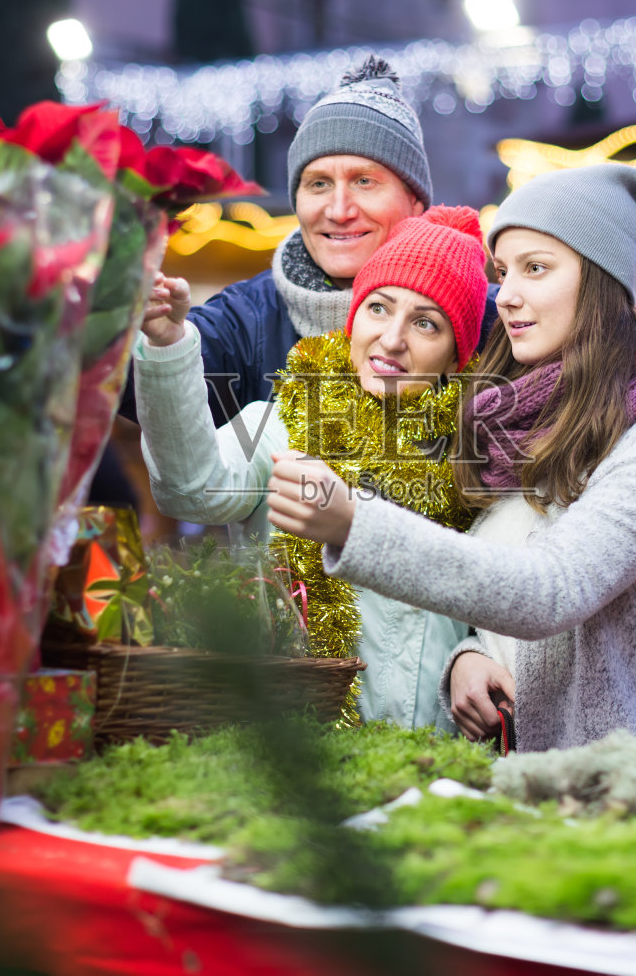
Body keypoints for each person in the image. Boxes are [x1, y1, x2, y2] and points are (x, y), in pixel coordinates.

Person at [107, 54, 636, 486]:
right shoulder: (247, 321)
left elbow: (615, 364)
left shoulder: (491, 311)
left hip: (463, 660)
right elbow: (143, 399)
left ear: (416, 199)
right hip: (289, 662)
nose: (337, 208)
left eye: (365, 180)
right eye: (316, 183)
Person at [267, 164, 636, 752]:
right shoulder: (512, 423)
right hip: (538, 794)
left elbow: (552, 589)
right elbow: (508, 586)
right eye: (504, 270)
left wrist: (353, 524)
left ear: (600, 281)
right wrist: (469, 656)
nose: (508, 295)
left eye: (536, 268)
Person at [132, 206, 492, 730]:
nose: (392, 339)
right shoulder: (279, 424)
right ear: (352, 321)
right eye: (378, 308)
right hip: (300, 758)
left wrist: (477, 651)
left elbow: (511, 593)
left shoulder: (483, 460)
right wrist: (168, 347)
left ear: (456, 355)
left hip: (439, 765)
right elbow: (190, 491)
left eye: (425, 323)